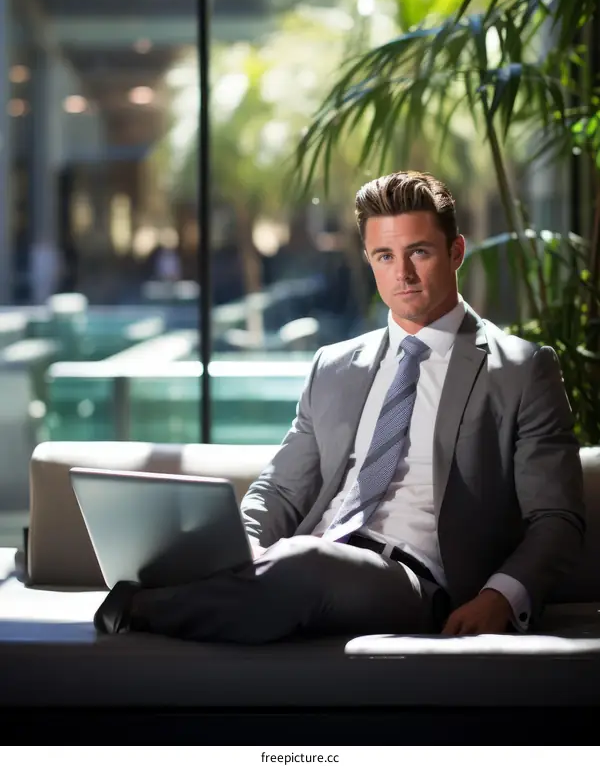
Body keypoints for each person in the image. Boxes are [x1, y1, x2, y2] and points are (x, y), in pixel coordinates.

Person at [95, 171, 586, 642]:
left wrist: (500, 597)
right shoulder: (334, 366)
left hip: (413, 580)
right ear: (369, 260)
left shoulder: (520, 369)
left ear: (456, 251)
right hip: (309, 561)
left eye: (419, 252)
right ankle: (233, 590)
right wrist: (244, 547)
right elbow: (280, 491)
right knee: (291, 561)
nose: (403, 274)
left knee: (306, 562)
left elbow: (557, 517)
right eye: (385, 256)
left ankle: (137, 609)